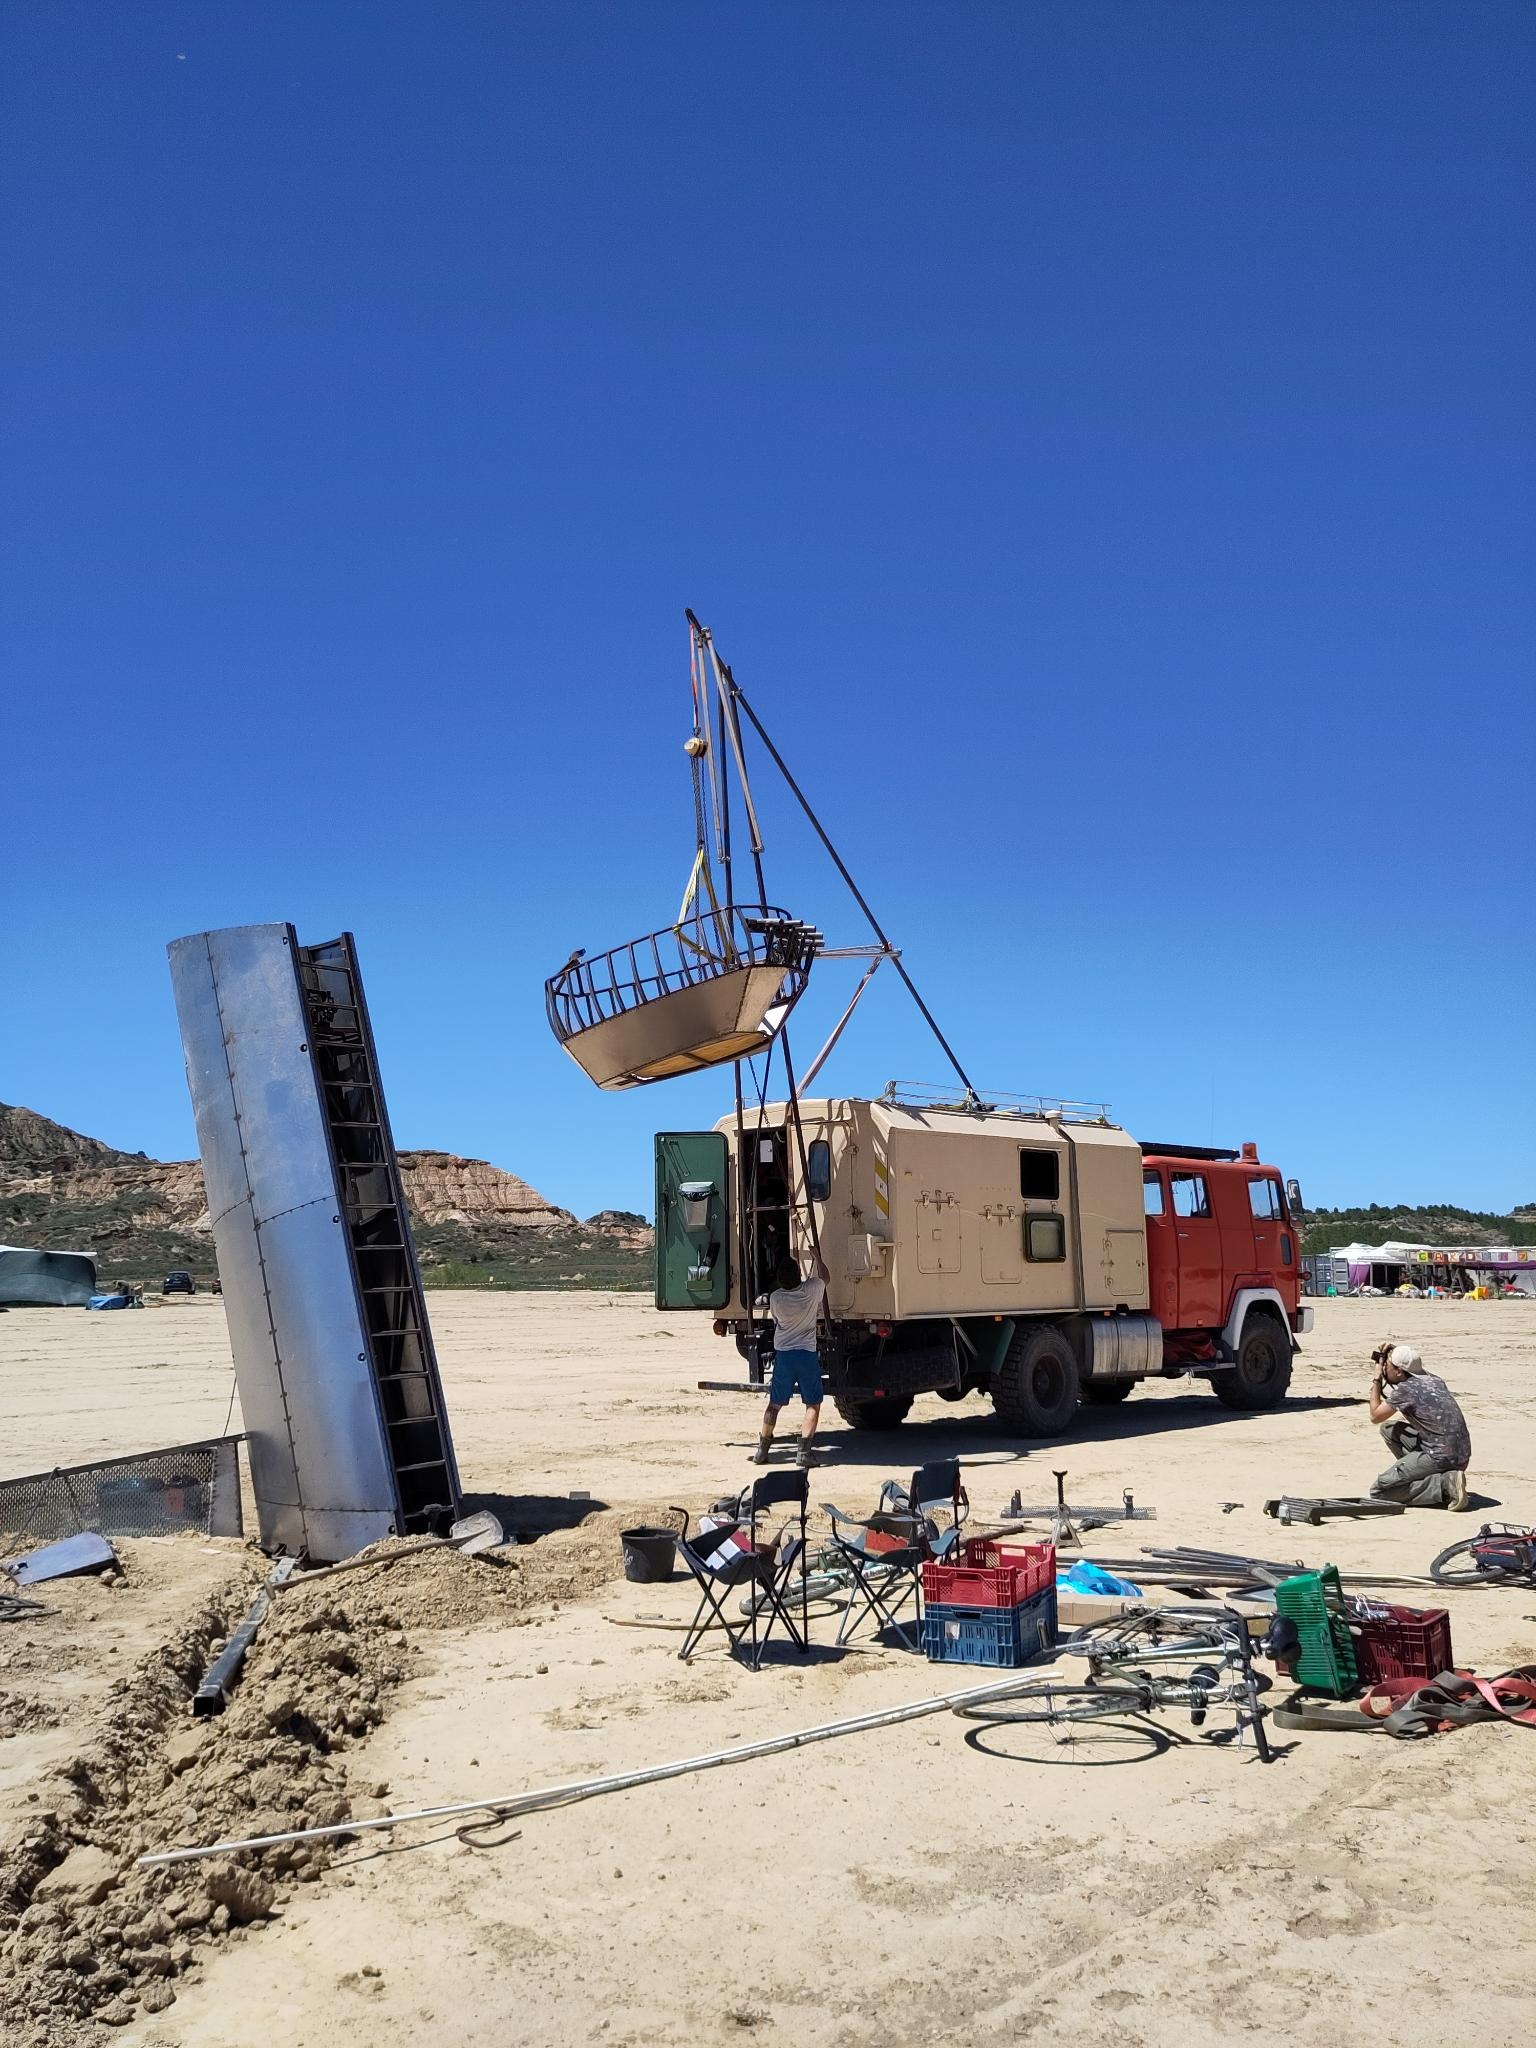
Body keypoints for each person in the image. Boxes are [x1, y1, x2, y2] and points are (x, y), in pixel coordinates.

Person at [1366, 1343, 1472, 1510]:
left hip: (1440, 1456)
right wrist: (1396, 1353)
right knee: (1389, 1430)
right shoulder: (1435, 1380)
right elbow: (1410, 1367)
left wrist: (1377, 1378)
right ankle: (1430, 1476)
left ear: (1399, 1371)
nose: (1384, 1367)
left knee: (1380, 1490)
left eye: (1388, 1365)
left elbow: (1375, 1416)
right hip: (1461, 1455)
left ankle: (1444, 1485)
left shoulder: (1406, 1390)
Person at [753, 1249, 830, 1469]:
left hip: (784, 1356)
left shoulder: (776, 1298)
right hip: (806, 1354)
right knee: (812, 1404)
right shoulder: (811, 1289)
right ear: (799, 1275)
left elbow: (776, 1321)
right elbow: (825, 1277)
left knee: (774, 1404)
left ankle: (762, 1449)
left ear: (780, 1279)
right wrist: (817, 1257)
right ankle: (804, 1453)